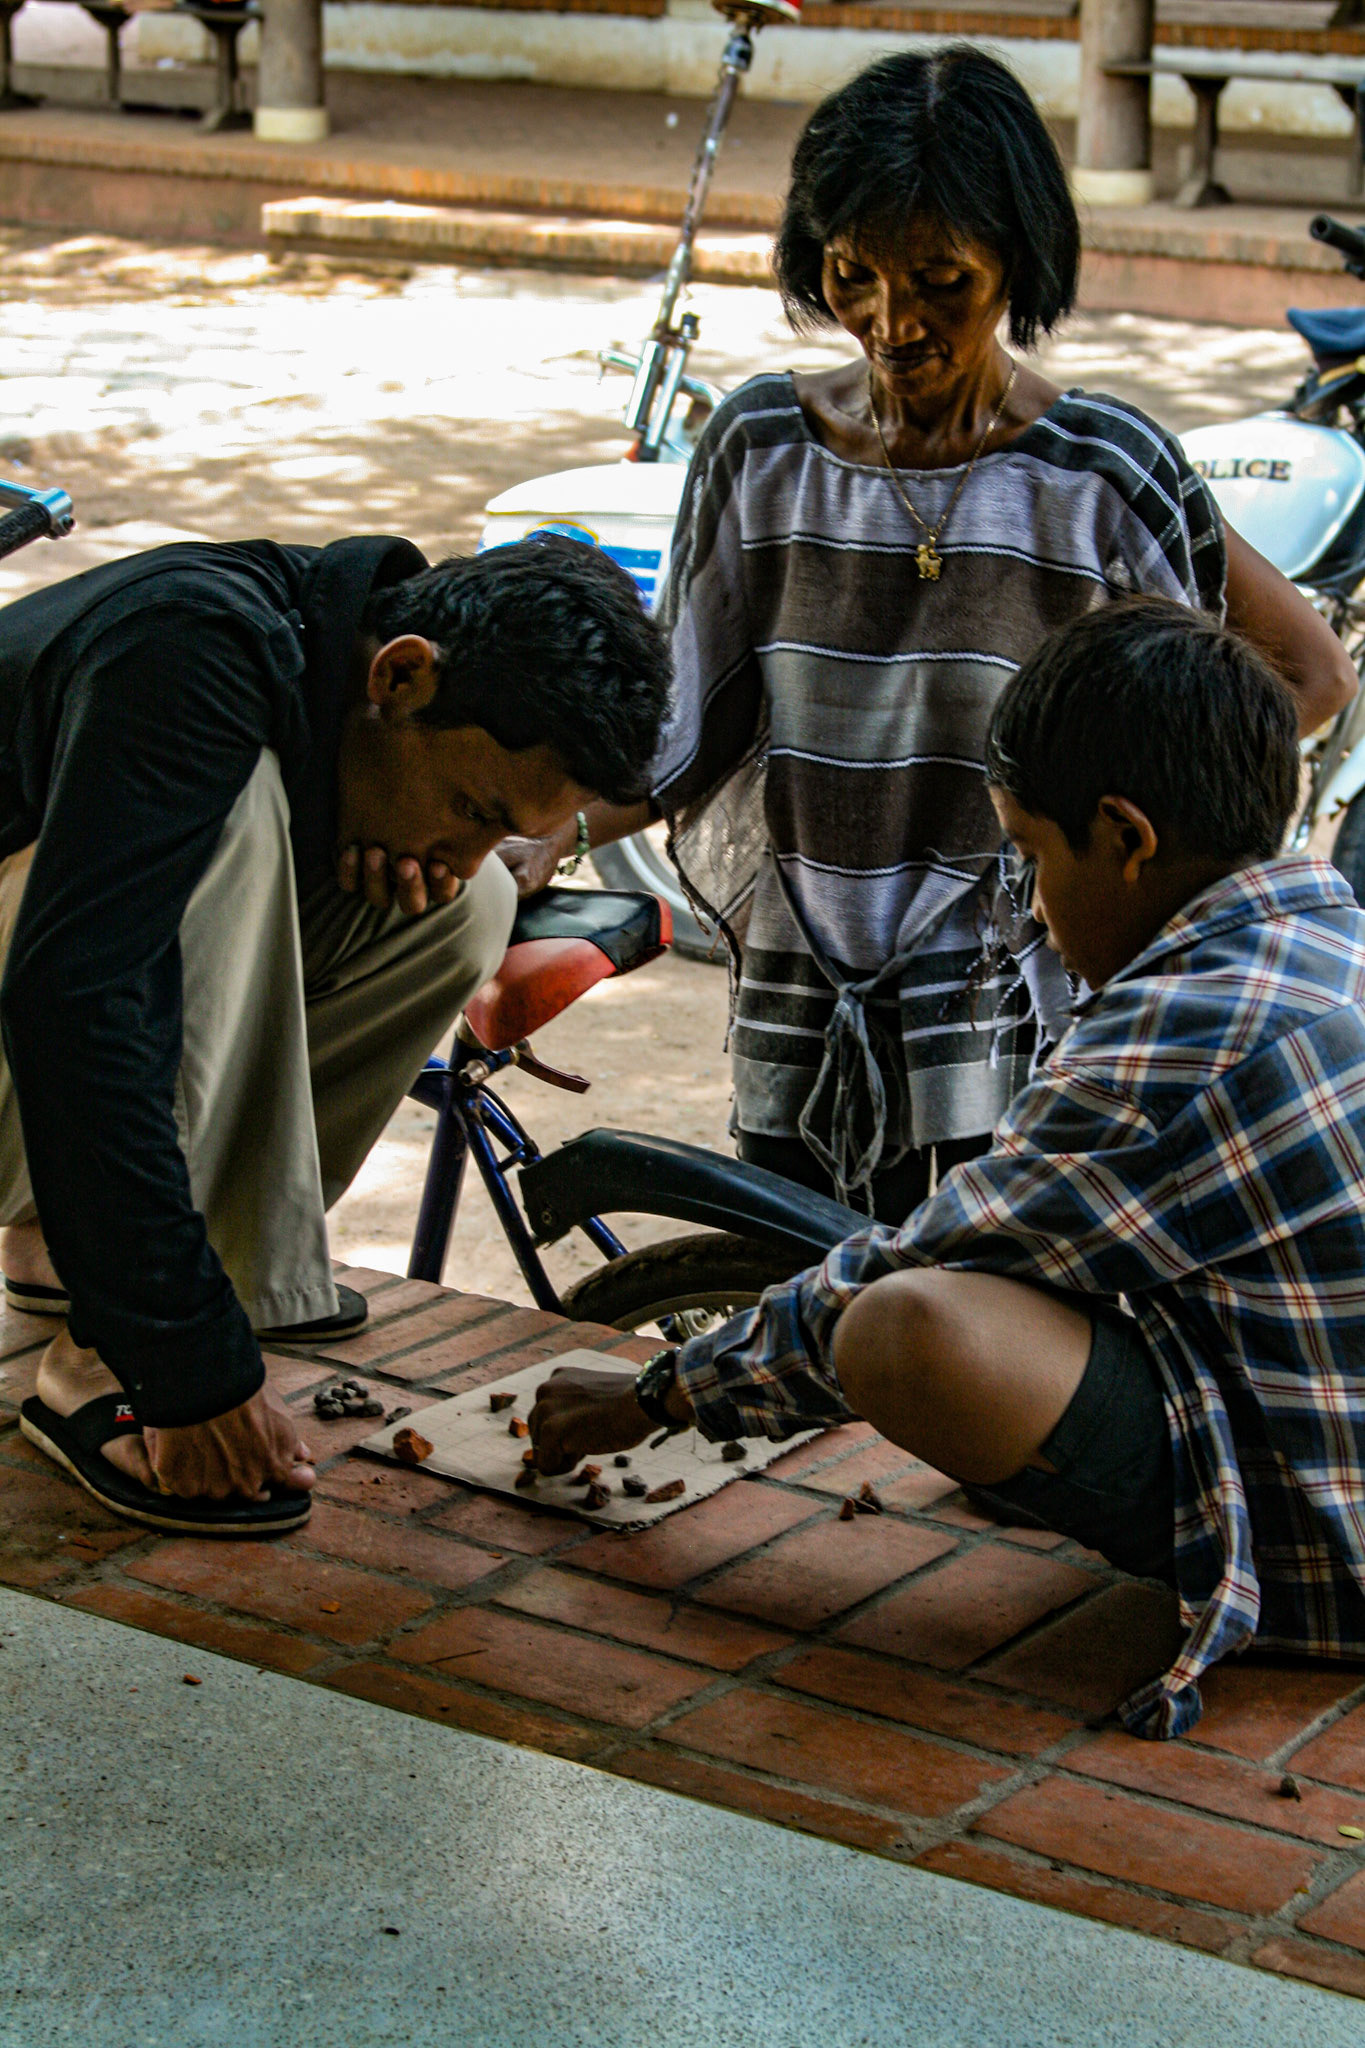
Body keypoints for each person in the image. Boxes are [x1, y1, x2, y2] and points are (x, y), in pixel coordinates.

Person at [500, 46, 1355, 1222]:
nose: (891, 323)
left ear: (1019, 263)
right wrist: (543, 833)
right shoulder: (761, 449)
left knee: (964, 1341)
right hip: (806, 1001)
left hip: (1022, 1012)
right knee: (800, 1321)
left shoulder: (1099, 472)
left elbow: (1301, 679)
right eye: (854, 276)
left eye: (941, 280)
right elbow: (689, 722)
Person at [528, 597, 1365, 1741]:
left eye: (1028, 854)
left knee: (907, 1326)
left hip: (1333, 1556)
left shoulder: (1164, 1052)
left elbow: (916, 1263)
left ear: (1125, 838)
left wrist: (654, 1393)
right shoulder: (1333, 942)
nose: (1029, 902)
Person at [0, 532, 669, 1534]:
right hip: (45, 1028)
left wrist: (396, 827)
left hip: (37, 1060)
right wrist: (186, 1364)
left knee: (469, 905)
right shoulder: (189, 649)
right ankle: (110, 1353)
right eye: (471, 805)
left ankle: (170, 1255)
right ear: (400, 675)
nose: (467, 845)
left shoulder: (344, 663)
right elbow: (83, 1002)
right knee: (234, 819)